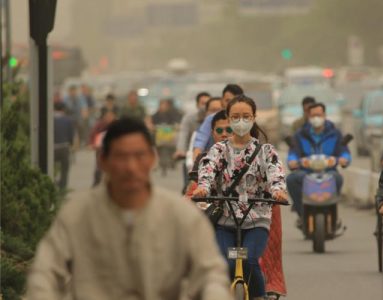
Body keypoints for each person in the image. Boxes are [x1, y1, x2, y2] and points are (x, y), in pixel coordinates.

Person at [26, 118, 232, 300]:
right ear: (103, 161)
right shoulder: (76, 215)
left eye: (139, 156)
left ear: (153, 159)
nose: (131, 167)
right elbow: (45, 274)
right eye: (121, 157)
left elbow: (211, 274)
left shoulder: (181, 215)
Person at [193, 95, 288, 300]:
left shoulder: (265, 151)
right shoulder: (218, 150)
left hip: (256, 220)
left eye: (246, 116)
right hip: (225, 219)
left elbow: (275, 173)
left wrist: (278, 190)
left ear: (254, 117)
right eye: (235, 116)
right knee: (226, 262)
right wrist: (203, 188)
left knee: (249, 261)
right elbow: (208, 170)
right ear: (228, 118)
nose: (241, 121)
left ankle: (259, 296)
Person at [286, 102, 351, 222]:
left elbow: (344, 151)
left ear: (325, 115)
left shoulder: (335, 133)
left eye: (319, 115)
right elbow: (293, 153)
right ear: (308, 117)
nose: (316, 118)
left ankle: (332, 212)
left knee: (337, 178)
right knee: (291, 179)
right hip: (306, 172)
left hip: (329, 171)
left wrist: (343, 159)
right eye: (313, 115)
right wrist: (293, 161)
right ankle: (302, 213)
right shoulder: (300, 135)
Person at [192, 84, 244, 160]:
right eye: (228, 100)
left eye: (235, 101)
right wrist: (197, 166)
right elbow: (199, 144)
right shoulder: (211, 119)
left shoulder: (246, 122)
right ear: (222, 101)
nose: (231, 104)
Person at [174, 92, 211, 160]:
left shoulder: (215, 119)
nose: (205, 106)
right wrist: (181, 150)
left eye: (208, 104)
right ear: (197, 105)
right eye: (203, 103)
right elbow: (183, 134)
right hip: (191, 154)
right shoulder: (189, 118)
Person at [89, 110, 117, 187]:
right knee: (99, 166)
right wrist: (92, 143)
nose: (109, 118)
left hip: (113, 148)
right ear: (104, 117)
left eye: (111, 116)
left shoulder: (117, 125)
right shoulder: (99, 124)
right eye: (108, 116)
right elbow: (93, 133)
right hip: (100, 147)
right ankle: (96, 183)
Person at [53, 102, 75, 190]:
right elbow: (71, 135)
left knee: (51, 167)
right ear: (63, 110)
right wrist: (71, 144)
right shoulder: (68, 120)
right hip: (64, 147)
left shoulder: (50, 120)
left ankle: (53, 183)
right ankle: (63, 187)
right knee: (64, 169)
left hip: (52, 148)